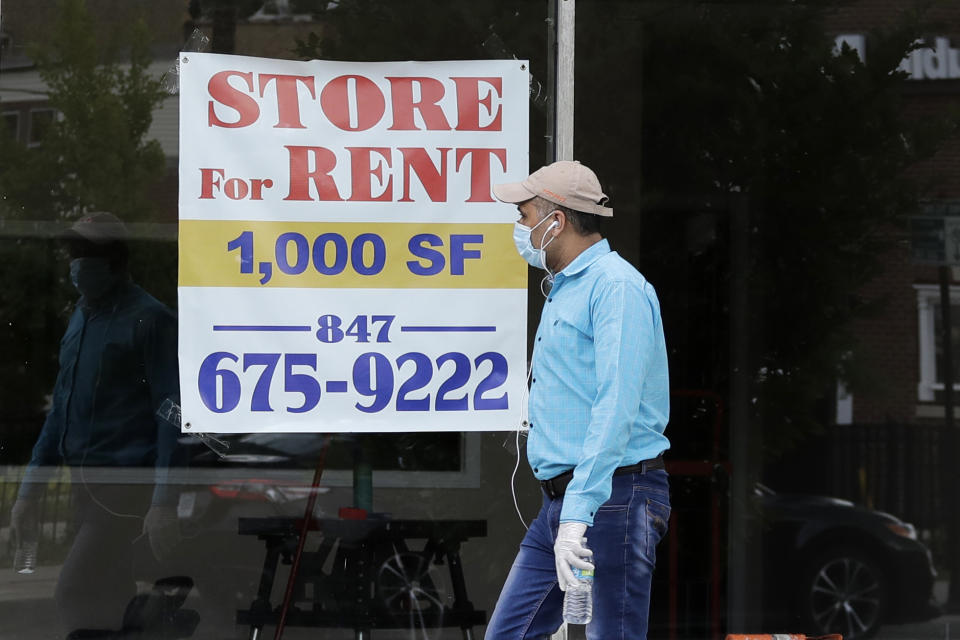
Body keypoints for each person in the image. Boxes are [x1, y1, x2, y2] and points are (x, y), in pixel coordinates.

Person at [485, 161, 671, 639]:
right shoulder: (568, 285)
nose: (520, 228)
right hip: (567, 503)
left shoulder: (616, 287)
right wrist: (568, 513)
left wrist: (578, 512)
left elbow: (616, 408)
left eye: (525, 215)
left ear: (557, 220)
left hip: (614, 497)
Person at [10, 212, 183, 639]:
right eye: (72, 253)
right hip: (85, 489)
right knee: (110, 600)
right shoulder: (80, 320)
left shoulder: (150, 319)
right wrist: (29, 490)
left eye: (84, 253)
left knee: (73, 591)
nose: (74, 262)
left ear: (114, 259)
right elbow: (60, 412)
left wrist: (163, 500)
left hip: (125, 487)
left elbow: (172, 409)